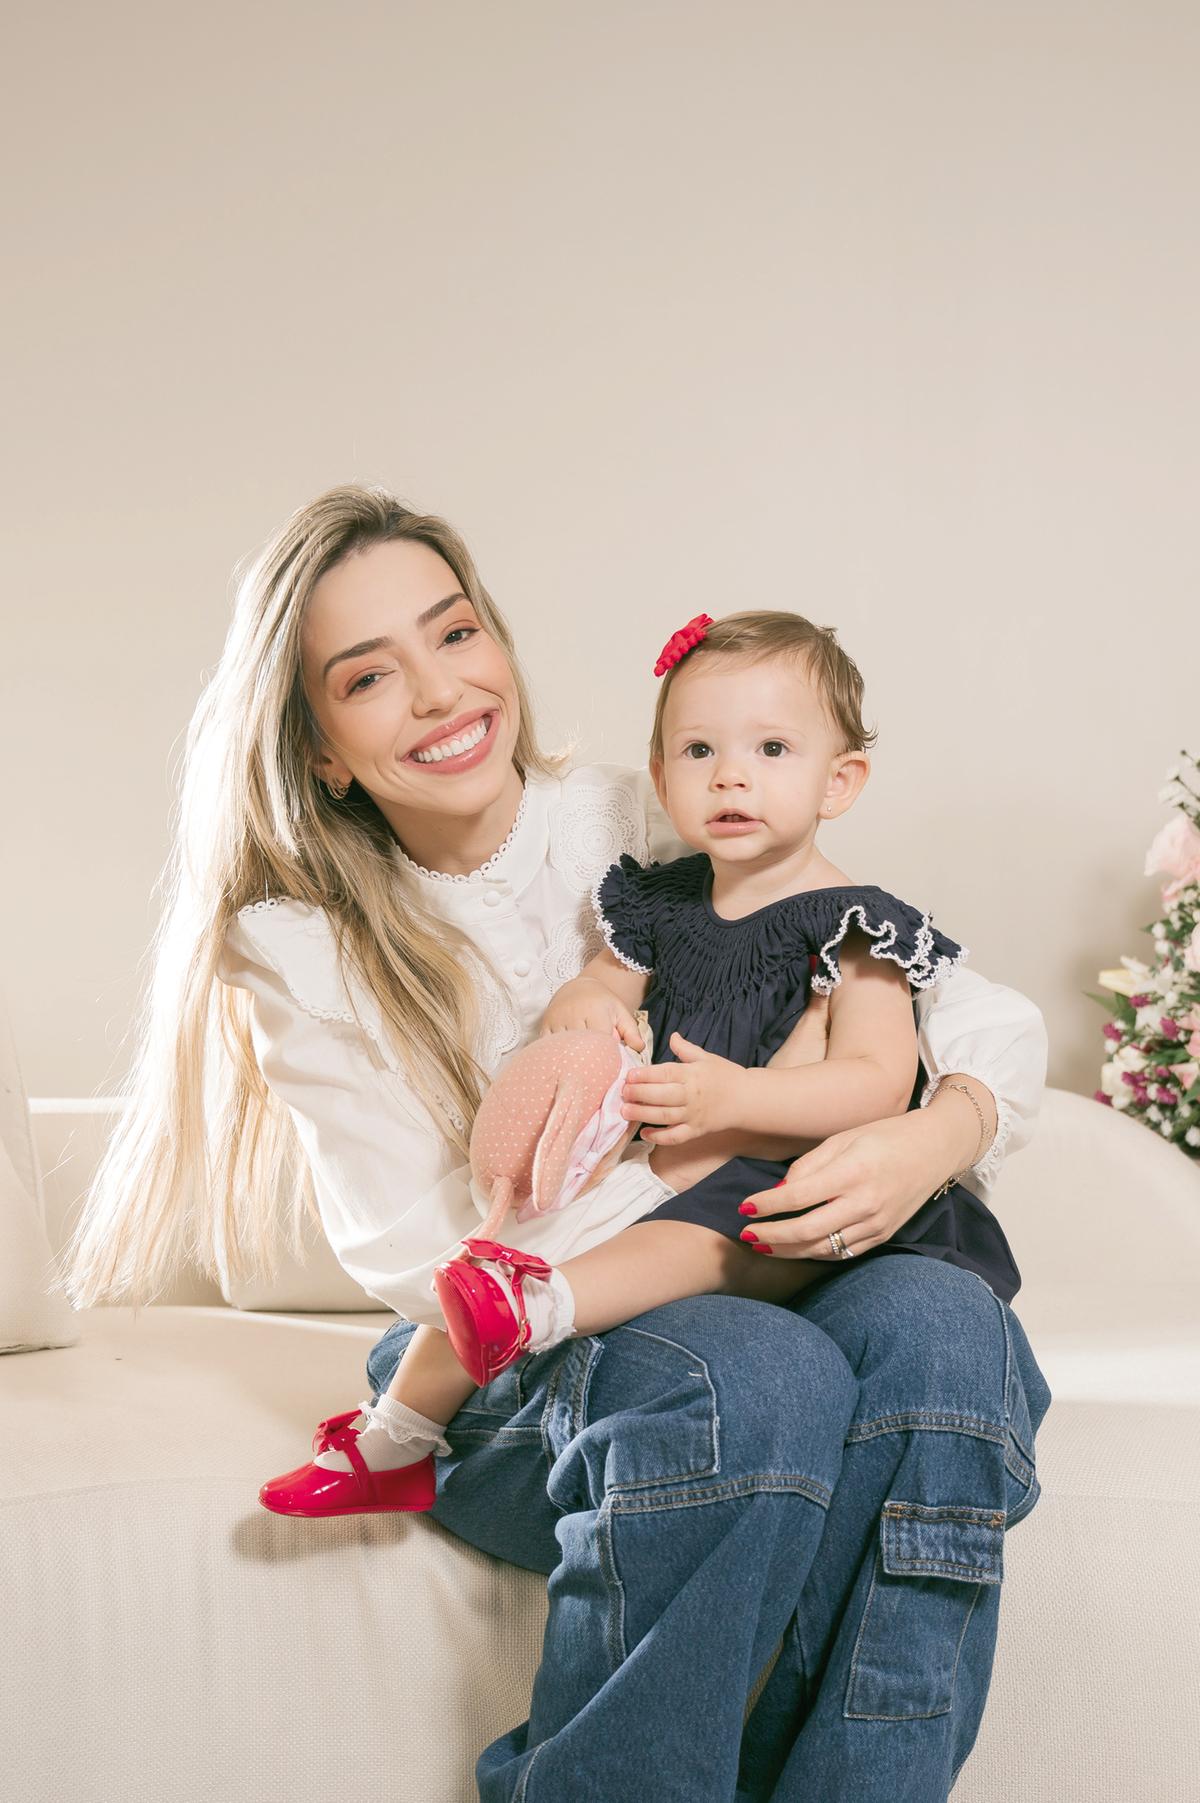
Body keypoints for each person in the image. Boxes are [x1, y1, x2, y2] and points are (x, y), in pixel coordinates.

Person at [66, 485, 1050, 1802]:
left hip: (758, 1237)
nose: (437, 692)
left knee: (947, 1330)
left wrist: (939, 1129)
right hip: (505, 1337)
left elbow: (959, 1000)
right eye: (370, 676)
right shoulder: (296, 945)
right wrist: (664, 1168)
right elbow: (417, 1253)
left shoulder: (636, 815)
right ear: (321, 749)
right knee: (752, 1374)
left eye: (455, 632)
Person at [257, 603, 1022, 1521]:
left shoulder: (861, 928)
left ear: (841, 779)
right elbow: (606, 983)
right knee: (512, 1241)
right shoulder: (659, 899)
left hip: (793, 1187)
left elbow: (875, 1079)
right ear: (661, 775)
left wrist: (740, 1092)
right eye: (699, 752)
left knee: (692, 1239)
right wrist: (588, 1008)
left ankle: (541, 1312)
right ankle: (397, 1434)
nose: (731, 774)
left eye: (773, 750)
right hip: (669, 1152)